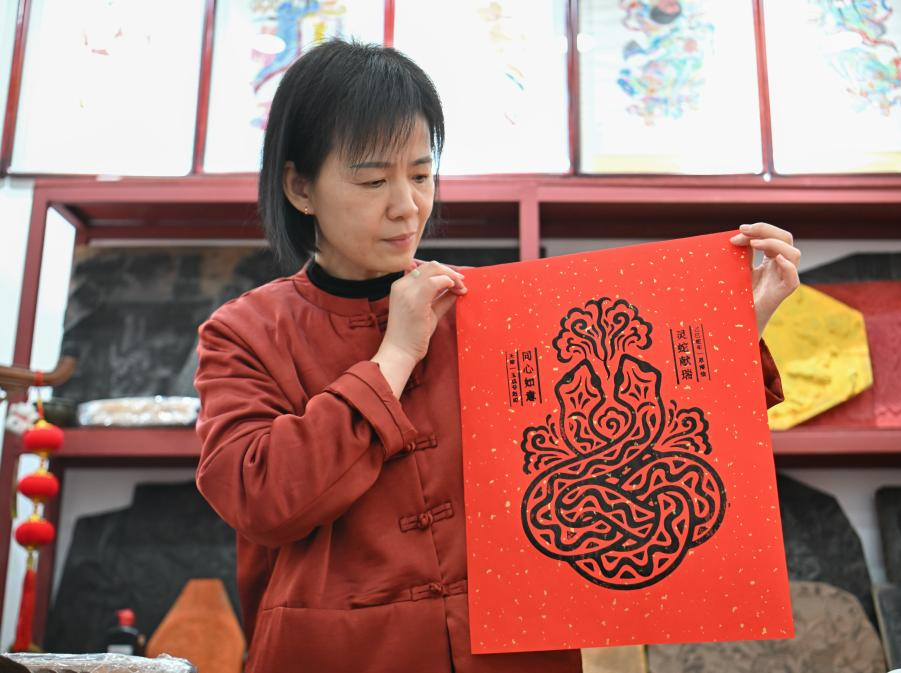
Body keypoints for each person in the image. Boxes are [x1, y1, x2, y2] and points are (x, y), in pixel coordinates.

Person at [193, 39, 801, 673]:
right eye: (373, 180)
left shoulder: (494, 307)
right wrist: (394, 356)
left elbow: (640, 436)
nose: (407, 205)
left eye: (421, 175)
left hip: (514, 653)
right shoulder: (244, 333)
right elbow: (263, 500)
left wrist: (734, 332)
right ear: (300, 187)